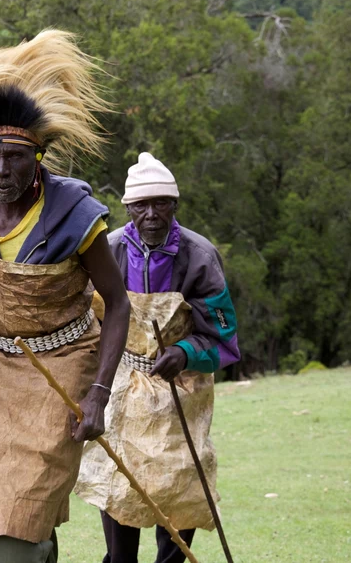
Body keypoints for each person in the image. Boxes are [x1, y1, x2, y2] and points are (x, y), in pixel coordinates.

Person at [0, 30, 131, 563]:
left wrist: (98, 395)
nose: (2, 172)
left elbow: (118, 303)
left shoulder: (74, 214)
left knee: (18, 517)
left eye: (16, 157)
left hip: (64, 369)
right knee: (5, 504)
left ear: (37, 156)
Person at [75, 152, 241, 563]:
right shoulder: (108, 249)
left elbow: (223, 339)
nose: (151, 215)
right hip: (122, 385)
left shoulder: (200, 256)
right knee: (122, 479)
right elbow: (85, 318)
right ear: (128, 208)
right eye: (141, 205)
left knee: (180, 479)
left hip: (180, 389)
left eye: (161, 203)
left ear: (174, 205)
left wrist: (185, 354)